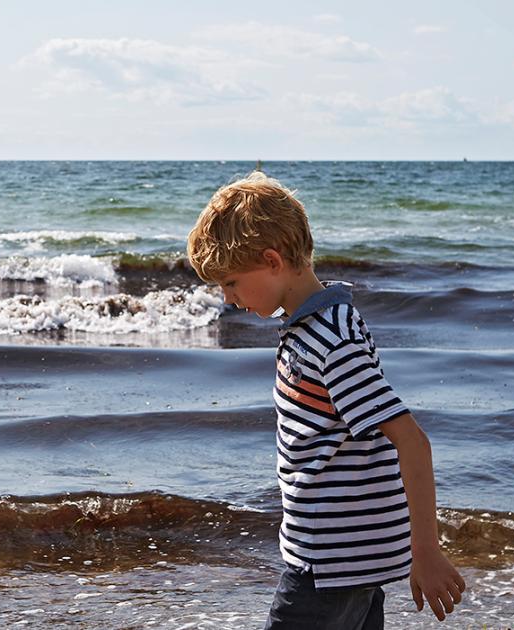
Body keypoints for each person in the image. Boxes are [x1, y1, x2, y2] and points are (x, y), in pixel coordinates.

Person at [186, 171, 465, 629]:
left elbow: (412, 441)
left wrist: (427, 553)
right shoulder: (320, 325)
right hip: (345, 555)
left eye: (232, 282)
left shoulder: (330, 339)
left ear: (272, 260)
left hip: (331, 560)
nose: (228, 299)